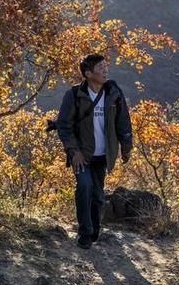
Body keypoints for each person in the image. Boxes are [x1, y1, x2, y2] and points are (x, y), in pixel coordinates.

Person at [56, 53, 133, 249]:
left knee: (98, 195)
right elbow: (64, 126)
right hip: (82, 155)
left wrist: (126, 147)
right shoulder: (74, 95)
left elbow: (123, 121)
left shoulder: (114, 93)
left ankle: (94, 228)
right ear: (88, 74)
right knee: (84, 187)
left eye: (105, 67)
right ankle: (85, 233)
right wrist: (74, 151)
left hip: (102, 155)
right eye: (100, 68)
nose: (105, 70)